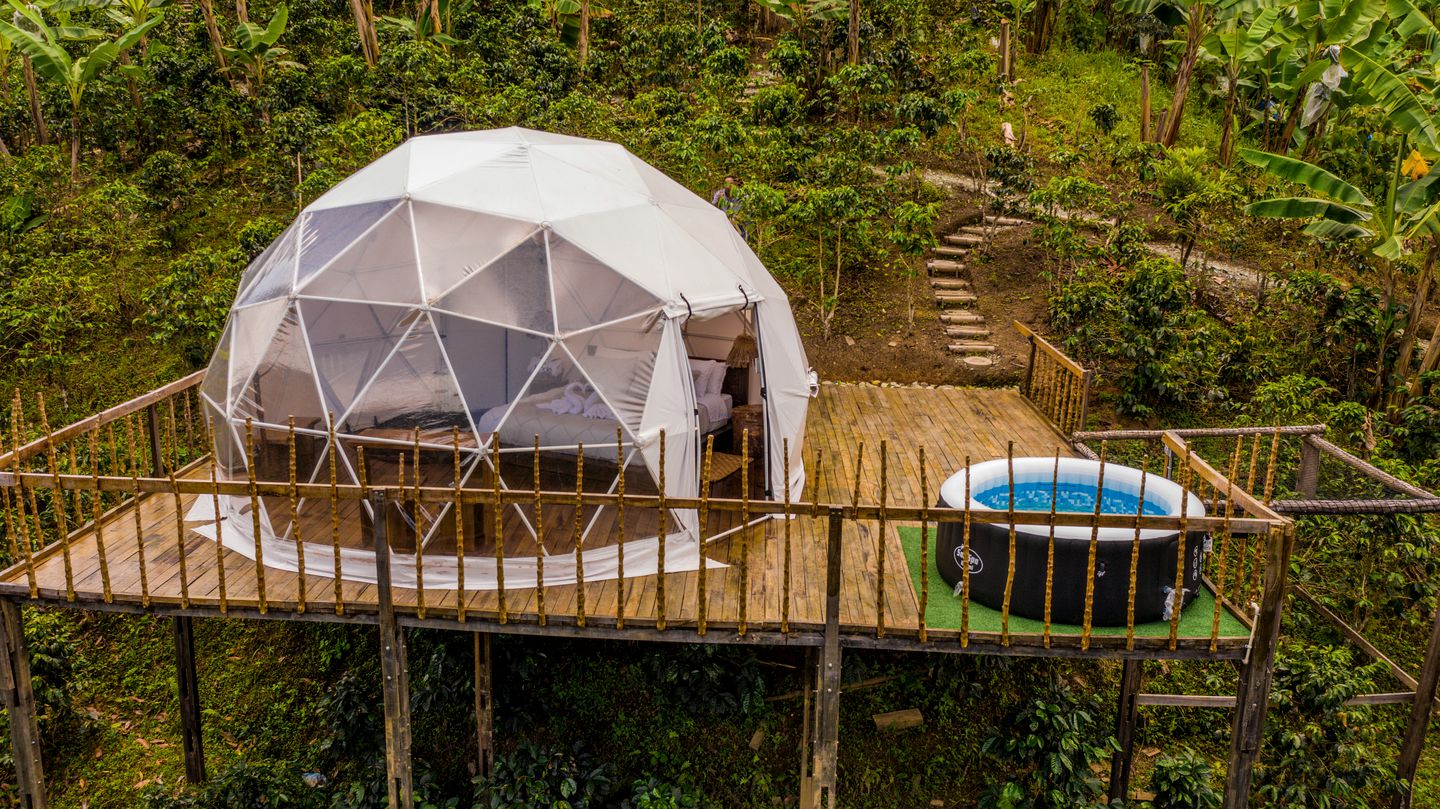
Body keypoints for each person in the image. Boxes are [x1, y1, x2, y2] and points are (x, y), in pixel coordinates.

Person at [711, 176, 748, 241]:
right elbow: (713, 209)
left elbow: (749, 207)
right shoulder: (719, 193)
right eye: (726, 183)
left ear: (734, 184)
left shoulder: (742, 195)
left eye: (730, 183)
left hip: (738, 225)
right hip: (723, 224)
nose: (728, 185)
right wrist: (718, 200)